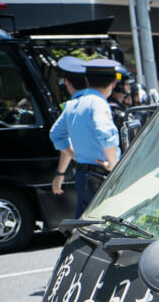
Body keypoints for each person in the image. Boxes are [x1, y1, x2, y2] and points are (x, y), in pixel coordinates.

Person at [50, 56, 121, 218]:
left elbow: (56, 134)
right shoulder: (98, 103)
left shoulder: (71, 105)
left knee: (84, 223)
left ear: (87, 80)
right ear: (114, 83)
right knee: (108, 225)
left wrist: (74, 156)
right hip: (101, 174)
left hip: (83, 174)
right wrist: (113, 163)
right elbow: (104, 132)